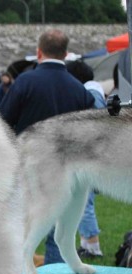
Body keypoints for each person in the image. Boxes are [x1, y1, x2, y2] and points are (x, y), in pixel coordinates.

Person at [0, 29, 95, 265]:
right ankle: (55, 271)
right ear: (66, 53)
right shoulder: (79, 89)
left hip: (27, 161)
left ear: (38, 52)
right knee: (57, 225)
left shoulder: (25, 82)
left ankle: (16, 269)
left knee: (21, 219)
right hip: (66, 166)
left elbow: (3, 120)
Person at [66, 60, 106, 258]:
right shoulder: (96, 92)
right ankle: (88, 243)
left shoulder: (90, 95)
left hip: (87, 155)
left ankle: (92, 246)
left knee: (84, 201)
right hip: (93, 154)